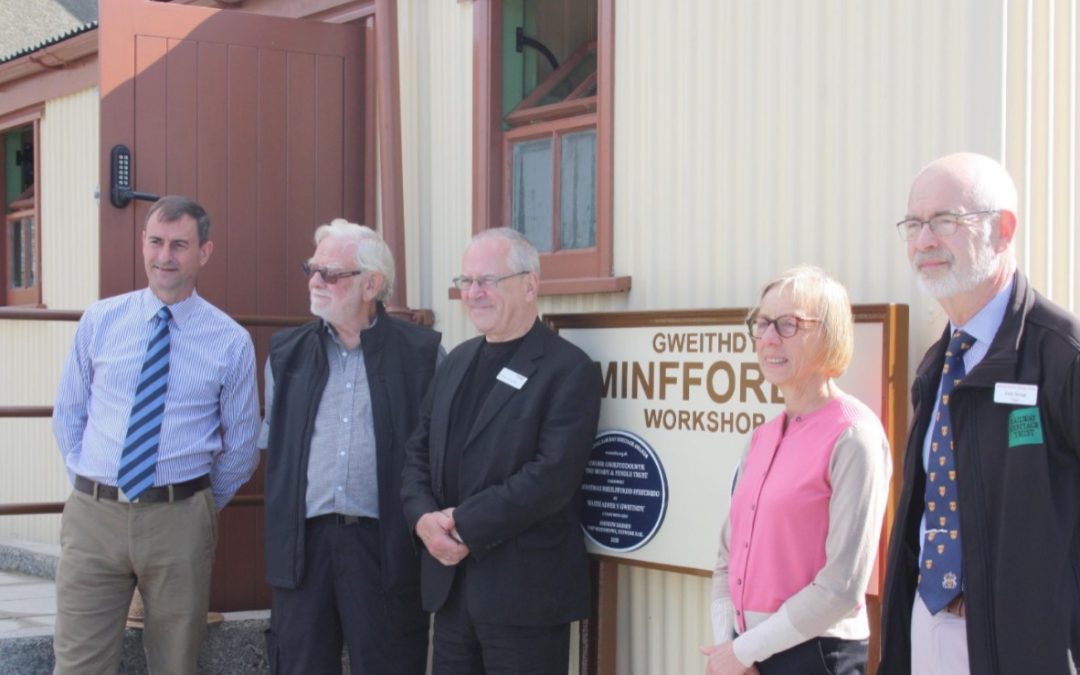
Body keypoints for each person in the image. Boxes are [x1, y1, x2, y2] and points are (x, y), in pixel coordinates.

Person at [878, 152, 1080, 675]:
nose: (924, 241)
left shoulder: (1061, 356)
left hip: (1030, 651)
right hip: (930, 629)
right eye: (914, 224)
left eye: (946, 221)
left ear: (1003, 230)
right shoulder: (936, 366)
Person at [51, 195, 261, 674]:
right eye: (156, 242)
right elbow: (69, 416)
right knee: (78, 662)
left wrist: (195, 505)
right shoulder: (101, 321)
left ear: (204, 252)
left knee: (174, 663)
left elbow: (243, 445)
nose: (164, 256)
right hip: (93, 519)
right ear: (143, 244)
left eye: (179, 245)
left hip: (179, 520)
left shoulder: (229, 340)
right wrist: (97, 482)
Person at [400, 227, 602, 674]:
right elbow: (418, 451)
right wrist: (422, 519)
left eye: (487, 281)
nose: (473, 293)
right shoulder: (456, 361)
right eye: (466, 282)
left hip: (524, 600)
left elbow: (550, 479)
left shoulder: (568, 371)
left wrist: (461, 526)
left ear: (530, 285)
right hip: (451, 592)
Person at [259, 219, 441, 674]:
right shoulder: (286, 354)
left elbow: (436, 457)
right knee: (299, 664)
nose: (315, 282)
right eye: (312, 269)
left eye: (331, 273)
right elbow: (273, 450)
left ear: (371, 284)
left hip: (384, 546)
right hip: (304, 546)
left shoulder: (422, 355)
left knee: (389, 663)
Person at [703, 266, 891, 675]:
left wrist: (742, 651)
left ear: (830, 334)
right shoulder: (761, 437)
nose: (769, 337)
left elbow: (841, 587)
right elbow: (726, 557)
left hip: (816, 655)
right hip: (745, 653)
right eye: (763, 323)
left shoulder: (855, 435)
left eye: (788, 324)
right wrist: (729, 649)